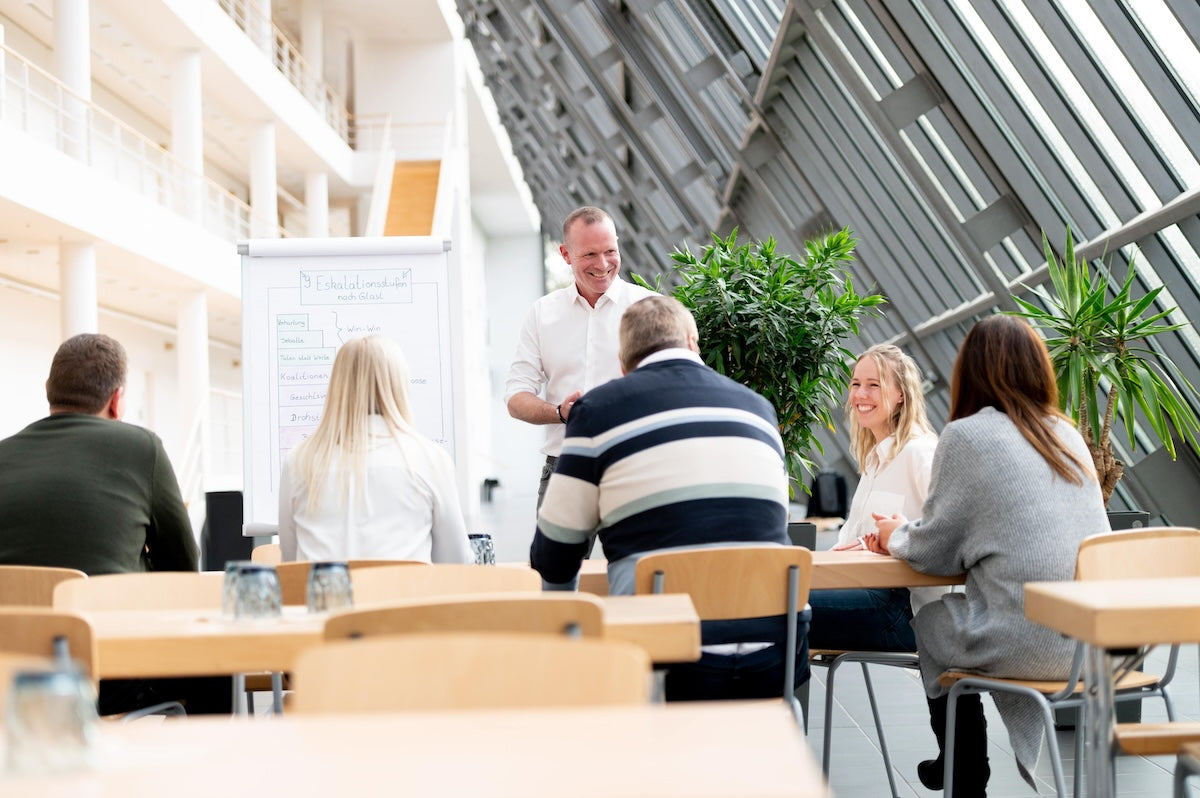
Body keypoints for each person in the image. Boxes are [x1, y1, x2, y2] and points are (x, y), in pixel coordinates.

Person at [864, 315, 1109, 797]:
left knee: (932, 622)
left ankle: (964, 772)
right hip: (1091, 644)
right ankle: (958, 765)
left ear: (969, 372)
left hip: (1022, 640)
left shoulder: (967, 436)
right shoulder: (1067, 434)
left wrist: (895, 535)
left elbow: (936, 549)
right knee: (953, 619)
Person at [530, 295, 807, 700]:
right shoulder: (760, 411)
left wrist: (562, 636)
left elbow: (555, 555)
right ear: (692, 343)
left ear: (623, 363)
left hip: (666, 662)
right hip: (775, 653)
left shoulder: (597, 412)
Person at [0, 333, 228, 714]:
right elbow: (184, 569)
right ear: (117, 400)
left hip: (12, 677)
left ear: (48, 391)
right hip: (111, 680)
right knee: (218, 660)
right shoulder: (143, 449)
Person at [504, 206, 656, 508]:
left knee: (639, 558)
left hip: (634, 464)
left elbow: (675, 385)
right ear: (565, 254)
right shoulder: (542, 314)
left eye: (610, 251)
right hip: (565, 467)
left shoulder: (649, 307)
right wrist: (560, 413)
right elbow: (516, 398)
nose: (603, 264)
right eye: (589, 255)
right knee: (554, 558)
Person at [278, 335, 473, 564]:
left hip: (324, 599)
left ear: (337, 386)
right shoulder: (429, 459)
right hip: (404, 598)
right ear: (400, 386)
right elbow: (455, 561)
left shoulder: (300, 461)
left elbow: (291, 561)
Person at [808, 344, 938, 652]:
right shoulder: (873, 461)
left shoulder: (921, 453)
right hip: (869, 593)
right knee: (778, 600)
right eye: (855, 384)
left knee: (781, 609)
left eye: (874, 385)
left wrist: (900, 537)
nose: (860, 395)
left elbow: (950, 533)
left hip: (908, 613)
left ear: (901, 395)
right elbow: (848, 540)